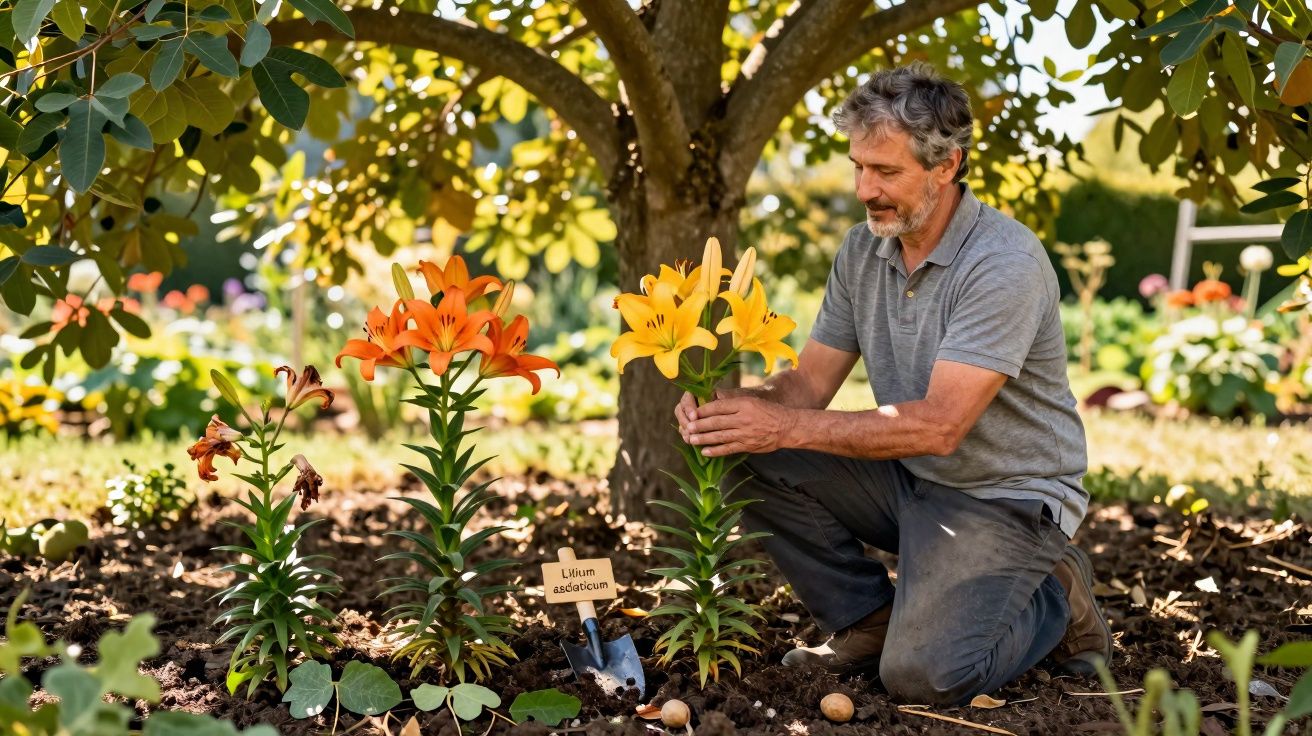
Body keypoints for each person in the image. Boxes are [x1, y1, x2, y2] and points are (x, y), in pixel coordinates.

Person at [674, 62, 1112, 706]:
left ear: (947, 165)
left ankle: (1053, 593)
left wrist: (785, 426)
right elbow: (807, 385)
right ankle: (869, 619)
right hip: (909, 476)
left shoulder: (1003, 263)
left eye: (886, 172)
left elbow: (940, 426)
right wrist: (739, 408)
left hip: (1004, 496)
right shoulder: (862, 251)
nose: (864, 188)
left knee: (924, 678)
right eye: (857, 166)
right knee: (740, 446)